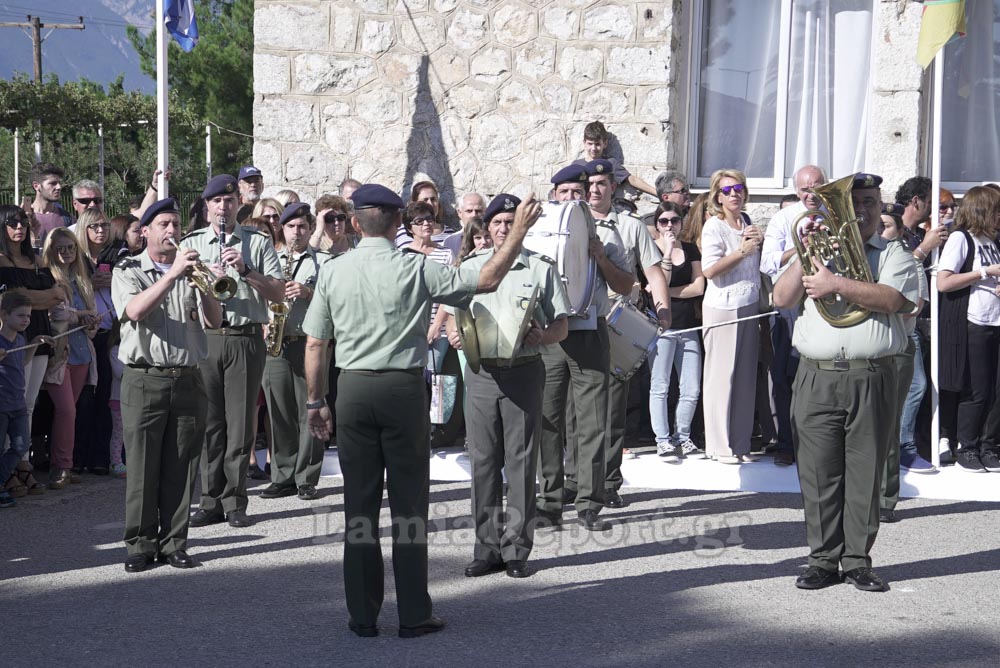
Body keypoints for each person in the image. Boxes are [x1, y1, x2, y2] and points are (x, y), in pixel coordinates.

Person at [302, 183, 542, 638]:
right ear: (397, 224)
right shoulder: (414, 267)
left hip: (352, 387)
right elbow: (486, 280)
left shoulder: (333, 271)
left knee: (360, 505)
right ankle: (412, 613)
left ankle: (363, 615)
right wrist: (516, 234)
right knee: (409, 505)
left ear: (355, 223)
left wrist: (316, 401)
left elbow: (316, 342)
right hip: (403, 389)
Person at [773, 172, 919, 593]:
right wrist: (807, 258)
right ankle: (821, 560)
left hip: (870, 375)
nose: (861, 209)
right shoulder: (819, 249)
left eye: (870, 201)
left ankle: (857, 560)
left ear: (881, 205)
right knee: (818, 474)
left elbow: (893, 299)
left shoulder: (893, 252)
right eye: (852, 202)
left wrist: (835, 283)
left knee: (865, 472)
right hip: (816, 375)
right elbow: (782, 299)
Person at [446, 194, 570, 579]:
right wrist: (453, 333)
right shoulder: (471, 267)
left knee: (520, 460)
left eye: (508, 222)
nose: (502, 229)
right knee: (482, 461)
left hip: (523, 370)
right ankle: (486, 548)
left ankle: (517, 548)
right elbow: (452, 315)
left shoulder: (539, 268)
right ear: (486, 229)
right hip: (481, 373)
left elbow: (562, 326)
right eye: (496, 223)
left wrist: (543, 335)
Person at [112, 197, 223, 572]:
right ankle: (140, 544)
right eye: (163, 224)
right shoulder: (129, 268)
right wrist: (172, 274)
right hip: (146, 378)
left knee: (182, 465)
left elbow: (214, 320)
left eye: (175, 224)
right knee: (143, 466)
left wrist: (208, 284)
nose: (172, 231)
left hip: (188, 378)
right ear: (145, 232)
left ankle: (175, 541)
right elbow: (134, 311)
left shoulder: (191, 271)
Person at [181, 175, 284, 529]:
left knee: (239, 425)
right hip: (207, 338)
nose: (222, 208)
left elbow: (278, 292)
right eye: (216, 202)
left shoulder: (257, 242)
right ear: (206, 206)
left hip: (244, 337)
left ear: (238, 204)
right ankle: (210, 499)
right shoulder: (192, 243)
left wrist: (245, 270)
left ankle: (235, 500)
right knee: (210, 424)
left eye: (228, 202)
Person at [536, 164, 633, 531]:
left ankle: (589, 503)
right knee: (547, 419)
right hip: (552, 335)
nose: (573, 198)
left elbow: (626, 285)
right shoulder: (541, 234)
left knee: (592, 420)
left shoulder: (607, 237)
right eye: (565, 193)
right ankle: (549, 499)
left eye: (578, 192)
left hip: (590, 332)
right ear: (554, 197)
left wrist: (601, 259)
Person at [584, 159, 670, 508]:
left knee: (612, 409)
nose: (594, 189)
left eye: (602, 183)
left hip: (616, 322)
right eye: (589, 184)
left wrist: (663, 310)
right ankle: (578, 481)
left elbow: (652, 271)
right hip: (576, 323)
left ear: (613, 188)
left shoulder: (630, 226)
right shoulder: (570, 222)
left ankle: (607, 482)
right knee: (577, 411)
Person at [260, 203, 331, 502]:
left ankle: (307, 477)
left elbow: (334, 298)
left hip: (307, 342)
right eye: (291, 227)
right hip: (276, 342)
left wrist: (308, 292)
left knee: (309, 410)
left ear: (310, 229)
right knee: (280, 412)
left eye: (302, 227)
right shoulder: (272, 259)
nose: (297, 232)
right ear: (282, 229)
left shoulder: (324, 262)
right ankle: (282, 475)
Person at [759, 164, 828, 466]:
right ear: (796, 189)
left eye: (816, 186)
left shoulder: (834, 213)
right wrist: (800, 248)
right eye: (804, 188)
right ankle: (787, 441)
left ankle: (816, 444)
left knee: (820, 376)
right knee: (785, 377)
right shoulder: (784, 219)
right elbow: (768, 263)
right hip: (789, 308)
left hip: (826, 304)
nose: (811, 193)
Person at [700, 169, 763, 464]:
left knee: (745, 378)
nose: (733, 194)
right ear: (717, 196)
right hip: (723, 306)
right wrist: (742, 251)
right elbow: (710, 270)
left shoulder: (747, 222)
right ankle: (718, 445)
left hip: (749, 304)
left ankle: (740, 443)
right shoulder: (714, 226)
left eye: (738, 188)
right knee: (720, 377)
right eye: (726, 190)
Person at [937, 185, 1000, 473]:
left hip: (995, 319)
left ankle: (989, 446)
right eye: (997, 211)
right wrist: (986, 272)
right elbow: (944, 282)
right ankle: (967, 445)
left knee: (995, 389)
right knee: (975, 388)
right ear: (983, 211)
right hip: (973, 321)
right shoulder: (961, 239)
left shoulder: (993, 240)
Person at [0, 205, 62, 478]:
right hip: (12, 337)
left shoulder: (36, 259)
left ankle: (21, 465)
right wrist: (41, 296)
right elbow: (9, 300)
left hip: (39, 332)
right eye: (12, 224)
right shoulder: (1, 259)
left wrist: (29, 296)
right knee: (9, 405)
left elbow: (58, 294)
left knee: (29, 403)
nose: (19, 229)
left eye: (23, 223)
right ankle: (7, 470)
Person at [42, 227, 99, 489]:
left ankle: (63, 463)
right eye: (61, 248)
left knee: (69, 413)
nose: (66, 252)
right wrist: (82, 313)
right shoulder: (47, 278)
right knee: (66, 411)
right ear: (51, 251)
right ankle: (61, 467)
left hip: (81, 351)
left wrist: (89, 319)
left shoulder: (81, 278)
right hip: (58, 354)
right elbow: (58, 315)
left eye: (71, 248)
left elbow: (92, 322)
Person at [647, 202, 704, 460]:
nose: (670, 225)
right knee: (660, 386)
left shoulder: (691, 249)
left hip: (688, 326)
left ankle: (683, 437)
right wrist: (667, 252)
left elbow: (698, 287)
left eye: (675, 220)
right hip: (661, 328)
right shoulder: (651, 250)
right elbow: (664, 278)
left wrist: (660, 292)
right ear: (657, 224)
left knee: (690, 387)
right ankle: (663, 440)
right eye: (664, 221)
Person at [73, 209, 116, 475]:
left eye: (104, 225)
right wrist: (90, 281)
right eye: (94, 226)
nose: (101, 230)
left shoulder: (114, 256)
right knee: (84, 399)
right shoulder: (75, 257)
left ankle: (100, 457)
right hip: (83, 332)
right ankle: (79, 457)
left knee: (104, 398)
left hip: (108, 332)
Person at [0, 291, 52, 508]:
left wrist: (34, 344)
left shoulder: (20, 340)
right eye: (21, 315)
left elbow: (21, 364)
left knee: (21, 446)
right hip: (1, 405)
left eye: (29, 316)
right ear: (4, 314)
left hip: (18, 404)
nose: (26, 320)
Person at [573, 121, 657, 199]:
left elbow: (632, 180)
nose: (593, 148)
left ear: (605, 144)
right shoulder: (576, 165)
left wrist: (657, 193)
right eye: (590, 144)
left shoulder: (610, 164)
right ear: (584, 143)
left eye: (597, 144)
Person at [29, 162, 73, 241]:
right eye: (53, 183)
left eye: (59, 183)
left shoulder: (68, 219)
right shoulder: (22, 220)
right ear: (36, 186)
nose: (59, 187)